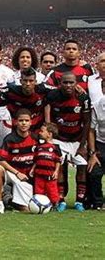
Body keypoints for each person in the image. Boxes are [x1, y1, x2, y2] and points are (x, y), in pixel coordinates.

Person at [45, 72, 91, 212]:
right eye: (65, 82)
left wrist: (83, 145)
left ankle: (79, 201)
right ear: (60, 83)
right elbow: (48, 117)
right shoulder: (53, 96)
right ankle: (61, 200)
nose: (68, 85)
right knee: (60, 168)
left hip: (77, 139)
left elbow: (87, 121)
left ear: (76, 83)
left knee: (82, 167)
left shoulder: (83, 97)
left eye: (71, 82)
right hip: (60, 139)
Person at [0, 109, 37, 214]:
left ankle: (8, 200)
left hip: (28, 175)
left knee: (26, 208)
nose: (24, 123)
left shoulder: (36, 138)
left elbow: (40, 157)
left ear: (31, 122)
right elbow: (0, 160)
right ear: (15, 122)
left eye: (26, 120)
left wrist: (34, 169)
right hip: (13, 173)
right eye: (21, 120)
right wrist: (17, 173)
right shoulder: (10, 139)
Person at [4, 67, 51, 134]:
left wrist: (47, 122)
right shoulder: (11, 92)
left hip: (37, 130)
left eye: (31, 81)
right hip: (17, 130)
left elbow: (48, 103)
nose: (28, 84)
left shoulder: (43, 91)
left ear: (36, 82)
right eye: (25, 81)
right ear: (20, 81)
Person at [30, 123, 61, 208]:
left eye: (42, 131)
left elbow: (58, 160)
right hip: (39, 174)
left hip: (50, 175)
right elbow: (36, 160)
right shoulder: (39, 147)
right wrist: (33, 169)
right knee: (38, 191)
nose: (40, 133)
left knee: (52, 191)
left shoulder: (55, 148)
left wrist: (56, 171)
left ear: (49, 134)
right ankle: (39, 205)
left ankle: (55, 204)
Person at [87, 82, 105, 210]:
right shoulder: (97, 106)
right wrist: (93, 154)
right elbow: (91, 130)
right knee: (94, 173)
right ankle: (98, 202)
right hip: (101, 144)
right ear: (103, 90)